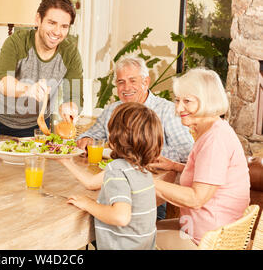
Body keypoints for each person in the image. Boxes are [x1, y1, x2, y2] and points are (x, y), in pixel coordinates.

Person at [77, 55, 194, 219]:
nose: (126, 87)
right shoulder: (112, 110)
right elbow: (90, 135)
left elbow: (188, 154)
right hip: (110, 185)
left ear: (146, 82)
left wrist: (144, 154)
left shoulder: (167, 111)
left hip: (149, 192)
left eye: (133, 81)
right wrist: (86, 139)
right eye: (121, 82)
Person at [149, 68, 250, 249]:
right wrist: (175, 166)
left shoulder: (214, 140)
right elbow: (212, 174)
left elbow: (196, 198)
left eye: (187, 101)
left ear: (208, 101)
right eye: (177, 100)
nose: (179, 108)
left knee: (128, 237)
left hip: (208, 240)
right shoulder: (214, 129)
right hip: (205, 228)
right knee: (137, 229)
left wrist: (145, 180)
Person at [59, 102, 163, 250]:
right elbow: (90, 183)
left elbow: (121, 217)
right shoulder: (140, 168)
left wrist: (89, 204)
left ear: (115, 137)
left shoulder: (117, 170)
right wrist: (65, 161)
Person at [0, 0, 83, 137]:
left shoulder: (70, 53)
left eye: (64, 26)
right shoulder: (17, 42)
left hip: (38, 126)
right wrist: (28, 89)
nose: (57, 32)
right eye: (51, 23)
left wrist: (70, 107)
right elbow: (1, 81)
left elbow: (75, 95)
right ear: (38, 19)